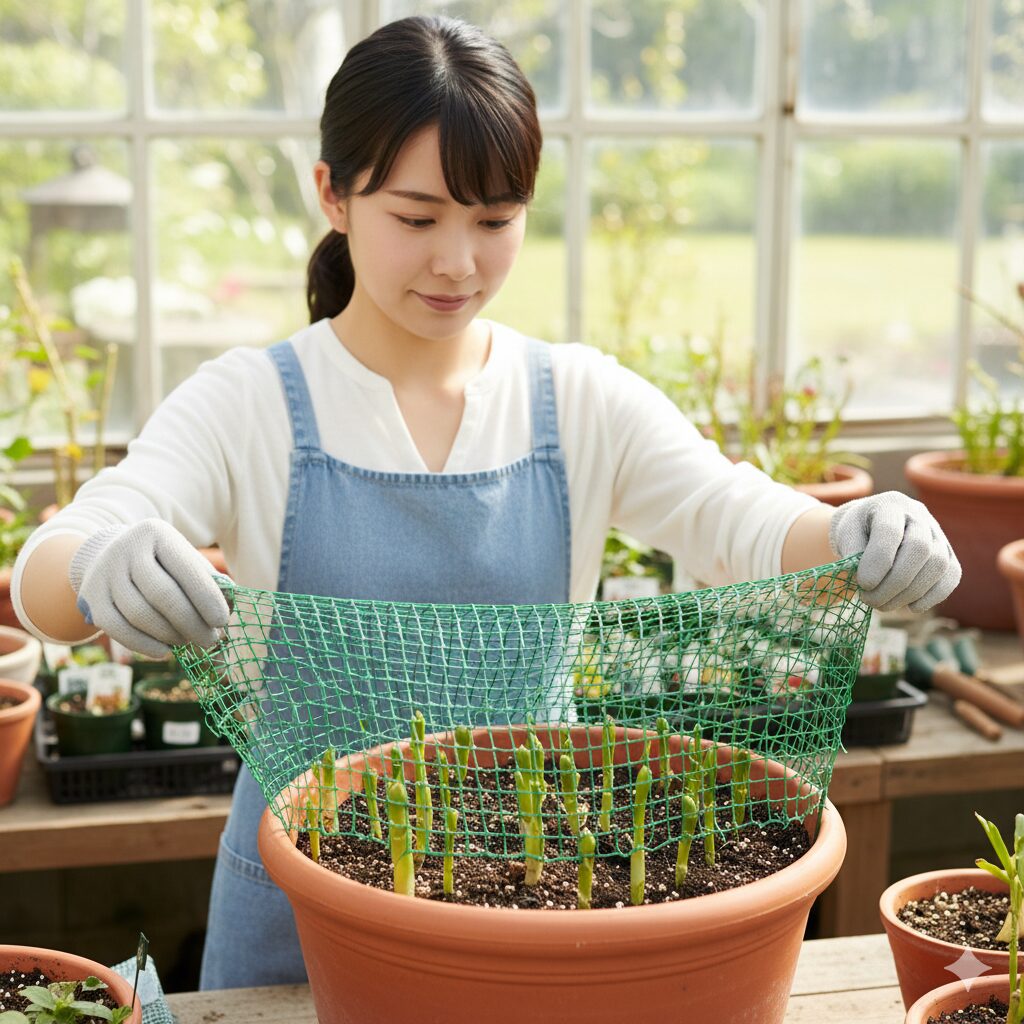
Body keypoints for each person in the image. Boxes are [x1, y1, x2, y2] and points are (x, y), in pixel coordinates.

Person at [11, 14, 960, 990]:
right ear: (332, 193)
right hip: (299, 924)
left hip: (533, 901)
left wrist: (855, 532)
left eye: (494, 219)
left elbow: (742, 522)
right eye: (417, 219)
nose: (457, 263)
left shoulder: (577, 402)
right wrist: (95, 562)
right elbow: (53, 567)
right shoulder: (251, 405)